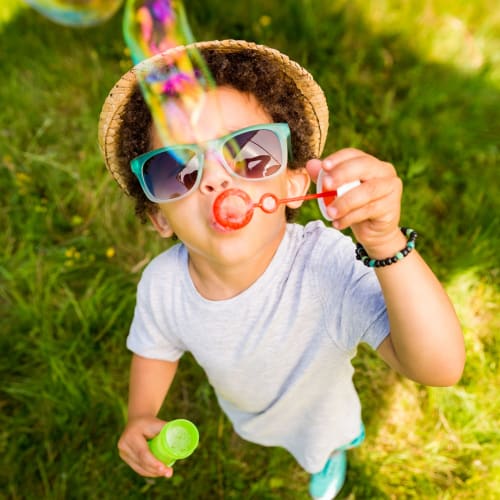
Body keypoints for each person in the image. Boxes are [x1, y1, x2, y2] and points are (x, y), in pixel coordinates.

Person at [98, 39, 465, 500]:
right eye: (176, 169)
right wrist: (140, 414)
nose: (215, 178)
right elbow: (155, 349)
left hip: (322, 412)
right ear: (160, 217)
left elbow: (440, 366)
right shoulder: (163, 285)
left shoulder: (326, 265)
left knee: (324, 442)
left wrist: (385, 243)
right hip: (246, 411)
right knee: (264, 432)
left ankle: (332, 455)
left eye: (249, 152)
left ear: (294, 186)